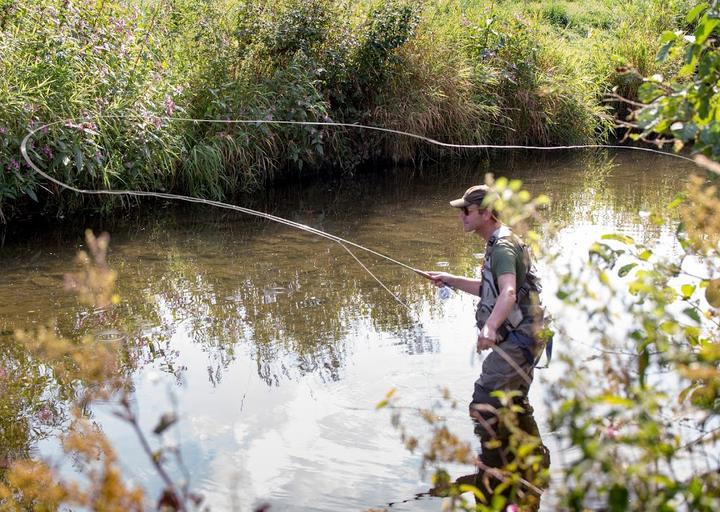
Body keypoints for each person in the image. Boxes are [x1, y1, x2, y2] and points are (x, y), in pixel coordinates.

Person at [426, 184, 550, 505]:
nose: (461, 217)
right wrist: (449, 279)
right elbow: (490, 288)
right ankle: (525, 465)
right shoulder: (498, 243)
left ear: (485, 213)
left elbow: (508, 293)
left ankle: (493, 468)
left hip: (519, 338)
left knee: (483, 400)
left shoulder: (503, 247)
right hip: (526, 335)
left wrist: (490, 328)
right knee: (512, 401)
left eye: (466, 211)